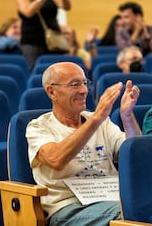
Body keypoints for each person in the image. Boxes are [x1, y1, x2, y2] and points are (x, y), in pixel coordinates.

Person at [26, 62, 141, 226]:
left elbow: (135, 157)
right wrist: (96, 118)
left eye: (85, 83)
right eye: (74, 85)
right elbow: (56, 159)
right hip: (69, 208)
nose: (84, 90)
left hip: (112, 197)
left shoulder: (102, 122)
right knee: (131, 213)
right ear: (52, 92)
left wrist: (127, 118)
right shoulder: (38, 127)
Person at [16, 0, 72, 71]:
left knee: (58, 73)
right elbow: (28, 12)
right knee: (35, 72)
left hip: (53, 42)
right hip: (32, 43)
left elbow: (66, 6)